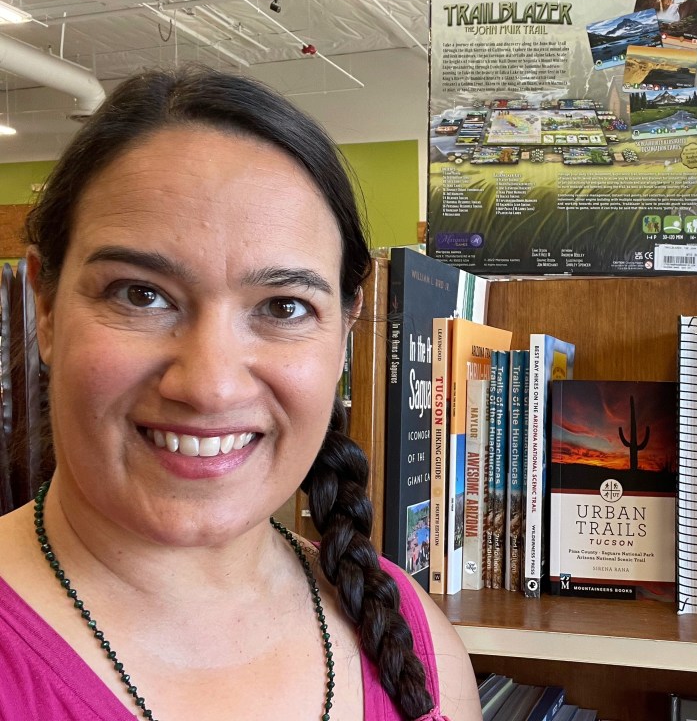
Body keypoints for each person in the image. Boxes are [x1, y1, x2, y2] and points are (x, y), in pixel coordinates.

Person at [0, 66, 482, 721]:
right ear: (47, 308)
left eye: (283, 307)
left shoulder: (414, 642)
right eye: (141, 294)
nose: (209, 385)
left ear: (345, 332)